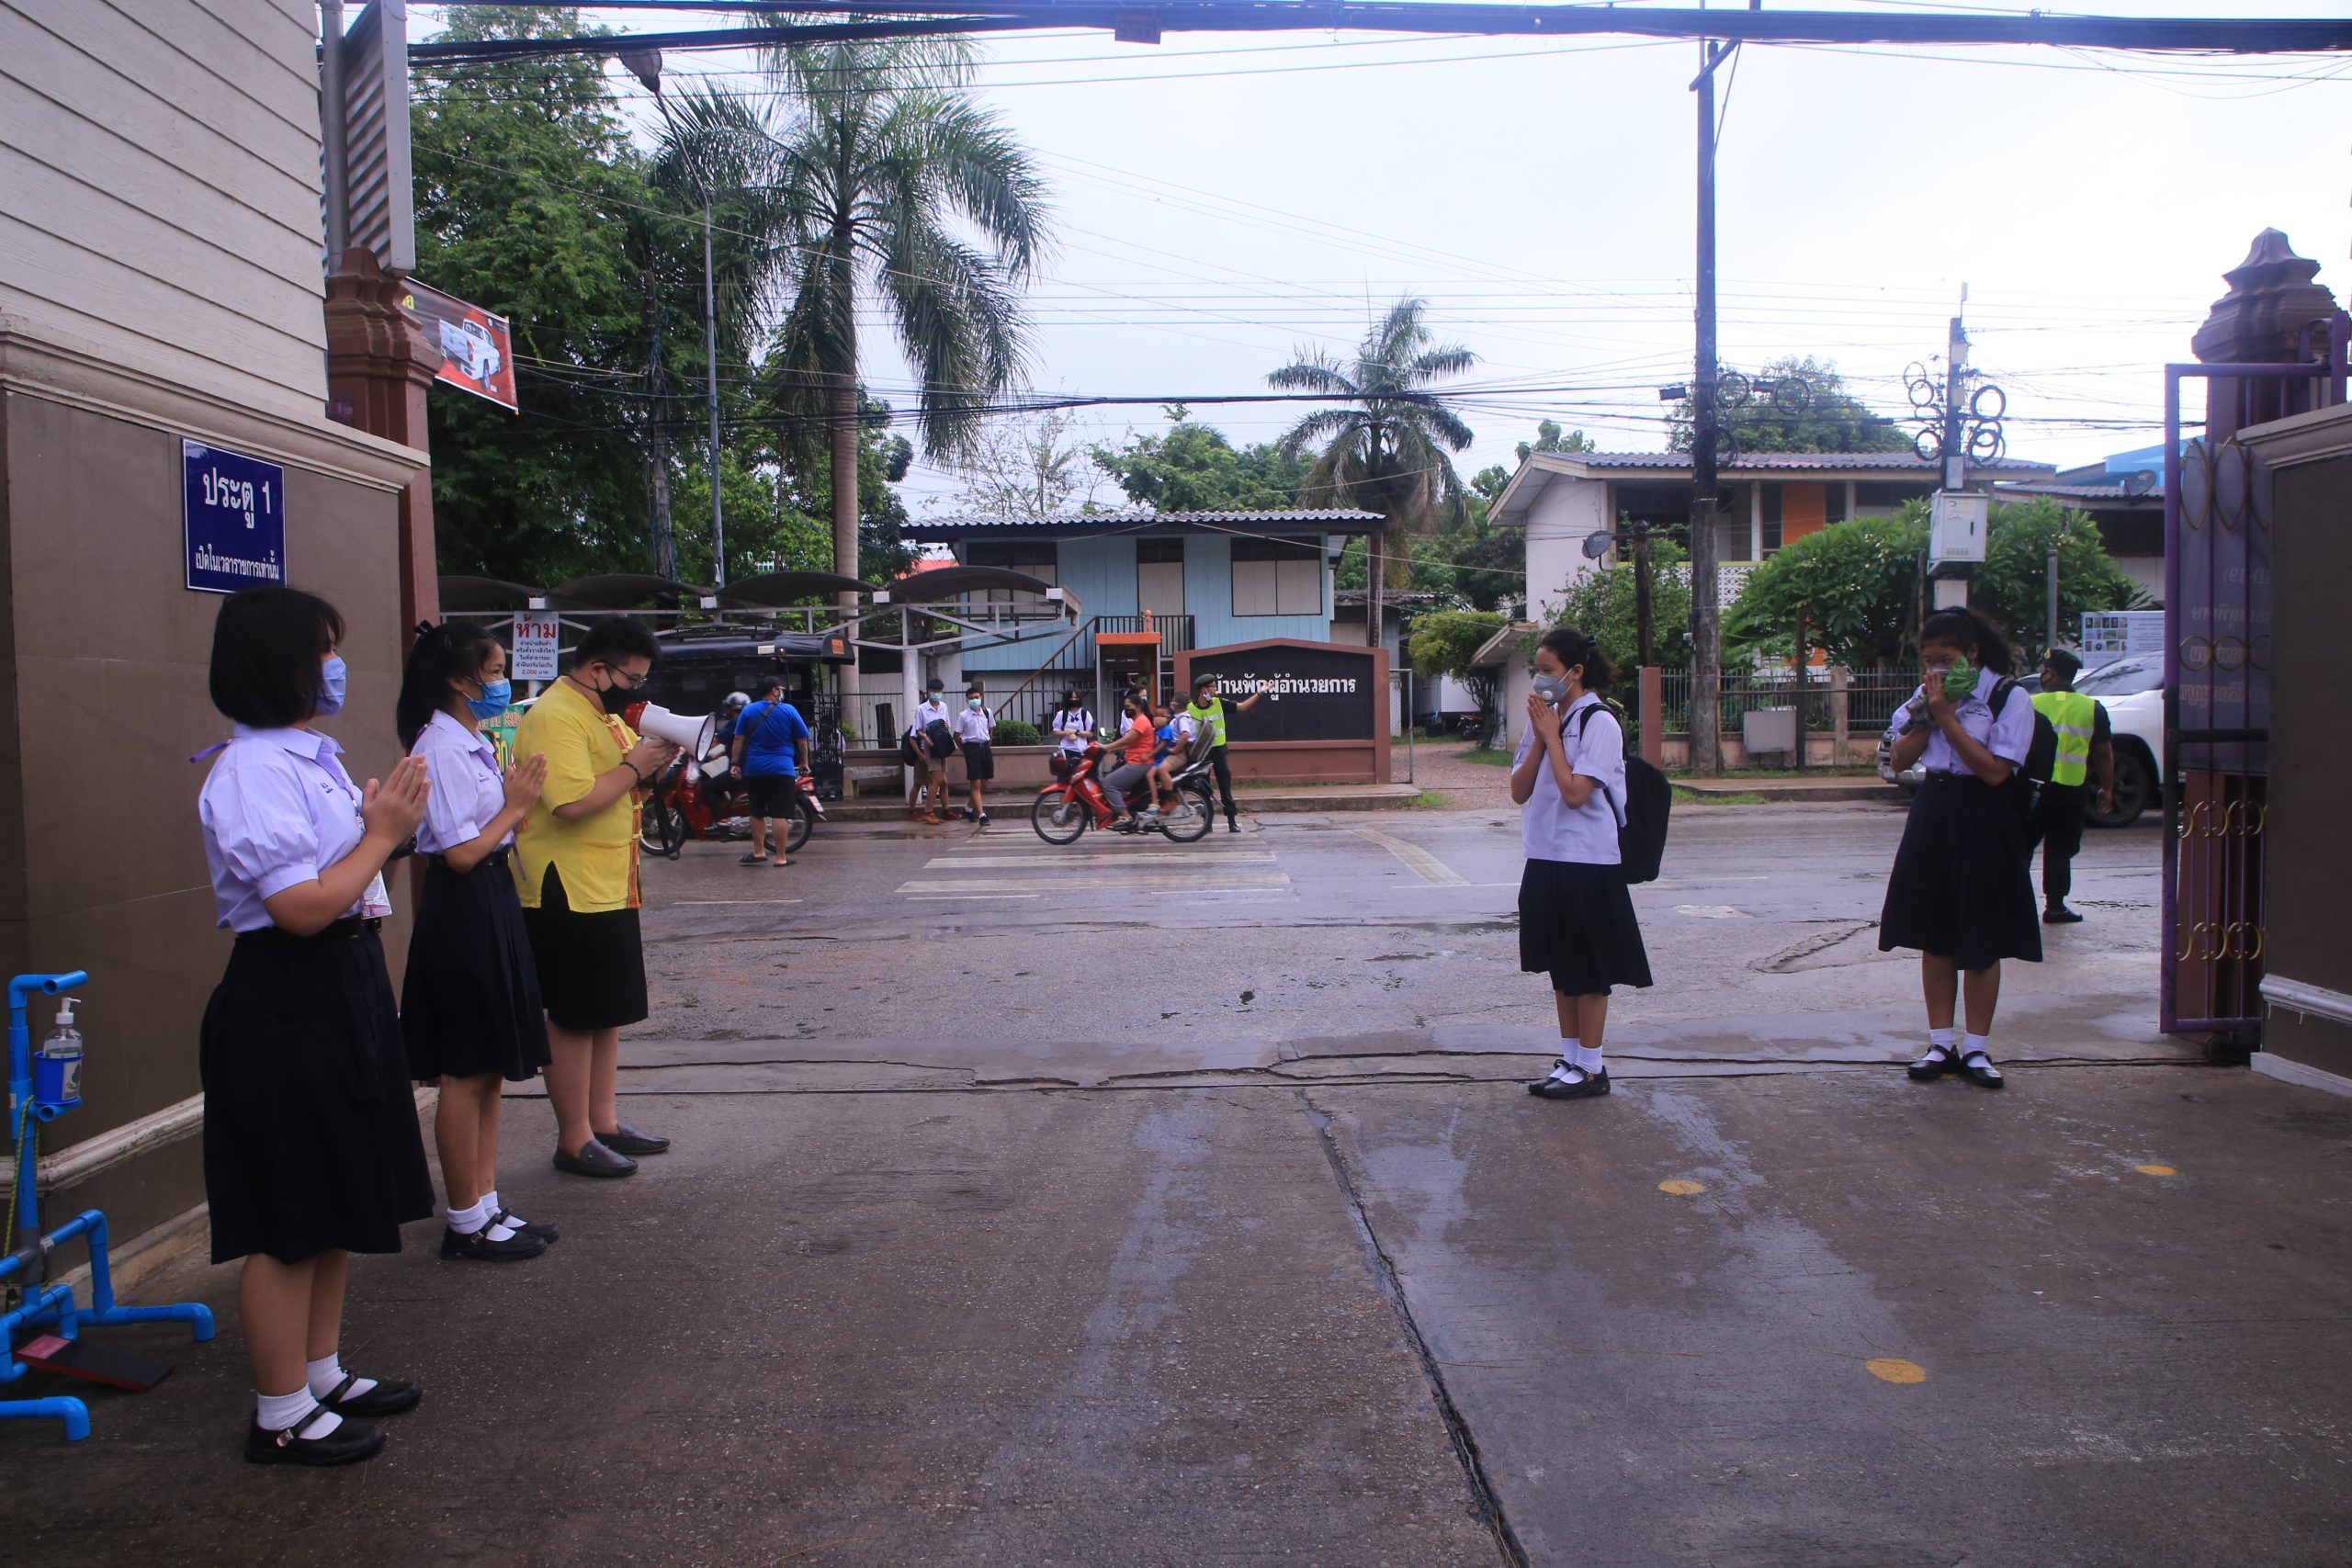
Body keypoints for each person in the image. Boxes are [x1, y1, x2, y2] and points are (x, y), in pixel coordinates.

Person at [196, 586, 434, 1466]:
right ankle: (280, 1409)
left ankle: (319, 1371)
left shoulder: (306, 757)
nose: (335, 667)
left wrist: (384, 834)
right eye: (324, 650)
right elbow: (298, 907)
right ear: (281, 662)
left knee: (334, 1190)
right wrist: (383, 834)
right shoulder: (251, 771)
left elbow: (348, 868)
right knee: (287, 1208)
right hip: (288, 990)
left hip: (343, 978)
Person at [395, 621, 556, 1264]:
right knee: (464, 1068)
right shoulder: (436, 745)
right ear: (458, 681)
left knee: (488, 1065)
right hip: (463, 906)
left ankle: (486, 1204)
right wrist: (516, 807)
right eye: (492, 672)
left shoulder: (471, 738)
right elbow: (460, 851)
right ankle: (464, 1216)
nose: (501, 683)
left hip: (491, 897)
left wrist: (512, 805)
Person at [511, 615, 680, 1178]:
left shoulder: (598, 715)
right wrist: (636, 765)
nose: (634, 691)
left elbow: (630, 781)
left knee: (606, 1012)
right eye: (630, 680)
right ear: (597, 668)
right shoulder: (555, 715)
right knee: (574, 1015)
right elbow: (572, 803)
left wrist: (657, 763)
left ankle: (602, 1121)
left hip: (610, 883)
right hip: (568, 885)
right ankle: (573, 1136)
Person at [1880, 606, 2041, 1090]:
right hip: (1936, 809)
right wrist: (1929, 714)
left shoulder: (2009, 698)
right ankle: (1939, 1043)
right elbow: (1899, 761)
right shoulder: (1925, 697)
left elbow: (1995, 771)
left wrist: (1949, 717)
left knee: (1982, 938)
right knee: (1936, 934)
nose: (1937, 669)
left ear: (1972, 653)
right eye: (1929, 660)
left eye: (1947, 659)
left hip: (1986, 815)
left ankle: (1976, 1049)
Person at [1512, 628, 1652, 1101]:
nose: (1540, 681)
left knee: (1589, 968)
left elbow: (1575, 794)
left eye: (1549, 671)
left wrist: (1553, 739)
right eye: (1538, 670)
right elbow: (1519, 791)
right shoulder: (1547, 721)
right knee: (1561, 965)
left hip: (1588, 861)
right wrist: (1539, 736)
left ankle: (1592, 1066)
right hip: (1545, 856)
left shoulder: (1600, 723)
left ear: (1575, 672)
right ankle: (1570, 1059)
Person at [2027, 649, 2116, 924]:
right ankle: (2055, 907)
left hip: (2032, 789)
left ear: (2049, 673)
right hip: (2070, 790)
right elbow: (2104, 754)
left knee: (2020, 847)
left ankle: (2013, 905)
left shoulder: (2029, 703)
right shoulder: (2092, 708)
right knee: (2059, 850)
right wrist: (2107, 789)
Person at [733, 676, 810, 867]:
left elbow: (738, 739)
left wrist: (735, 762)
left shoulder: (748, 711)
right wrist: (804, 763)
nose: (782, 692)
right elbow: (802, 741)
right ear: (775, 691)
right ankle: (781, 857)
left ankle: (759, 852)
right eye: (780, 689)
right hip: (782, 769)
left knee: (757, 811)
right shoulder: (789, 710)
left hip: (755, 768)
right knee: (780, 813)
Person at [1185, 673, 1267, 834]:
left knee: (1225, 787)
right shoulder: (1190, 709)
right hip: (1202, 753)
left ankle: (1232, 821)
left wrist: (1260, 692)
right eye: (1212, 687)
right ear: (1203, 690)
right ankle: (1207, 823)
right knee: (1203, 789)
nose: (1215, 690)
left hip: (1219, 751)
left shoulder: (1219, 703)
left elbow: (1242, 707)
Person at [1096, 692, 1159, 830]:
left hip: (1139, 763)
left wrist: (1106, 746)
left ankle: (1126, 816)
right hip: (1135, 761)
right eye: (1125, 707)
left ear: (1137, 706)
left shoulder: (1141, 721)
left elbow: (1128, 739)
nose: (1126, 709)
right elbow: (1128, 744)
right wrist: (1109, 750)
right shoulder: (1138, 721)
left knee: (1108, 783)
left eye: (1128, 706)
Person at [908, 678, 954, 825]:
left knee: (943, 781)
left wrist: (946, 727)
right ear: (929, 692)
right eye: (934, 691)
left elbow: (946, 725)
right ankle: (927, 811)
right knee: (932, 780)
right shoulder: (922, 709)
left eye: (939, 691)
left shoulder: (944, 707)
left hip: (941, 747)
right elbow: (917, 731)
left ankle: (945, 810)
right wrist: (925, 738)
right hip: (928, 748)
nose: (937, 694)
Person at [955, 682, 996, 824]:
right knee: (975, 783)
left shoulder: (987, 712)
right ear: (967, 700)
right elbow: (956, 735)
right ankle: (982, 815)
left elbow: (991, 728)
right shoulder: (963, 716)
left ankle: (968, 809)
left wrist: (988, 742)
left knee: (984, 784)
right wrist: (965, 750)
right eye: (971, 698)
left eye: (976, 697)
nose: (974, 700)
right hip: (971, 748)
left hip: (985, 748)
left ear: (981, 697)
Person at [1049, 690, 1093, 766]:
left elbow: (1090, 733)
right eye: (1071, 698)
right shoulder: (1061, 714)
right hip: (1065, 750)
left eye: (1076, 698)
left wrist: (1075, 732)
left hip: (1081, 750)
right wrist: (1066, 733)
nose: (1074, 700)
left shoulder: (1085, 714)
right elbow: (1055, 732)